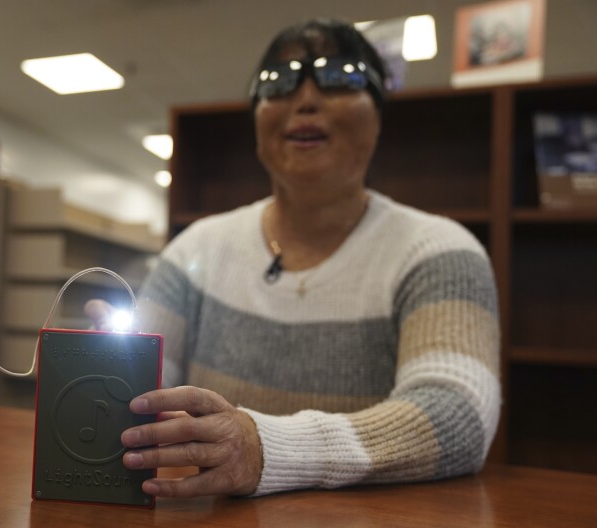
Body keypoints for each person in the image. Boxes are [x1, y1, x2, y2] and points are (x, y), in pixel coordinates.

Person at [86, 18, 500, 498]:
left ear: (379, 114)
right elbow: (143, 396)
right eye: (277, 83)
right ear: (257, 124)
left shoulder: (441, 251)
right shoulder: (196, 248)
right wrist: (106, 371)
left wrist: (266, 448)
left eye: (341, 78)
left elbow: (457, 415)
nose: (305, 100)